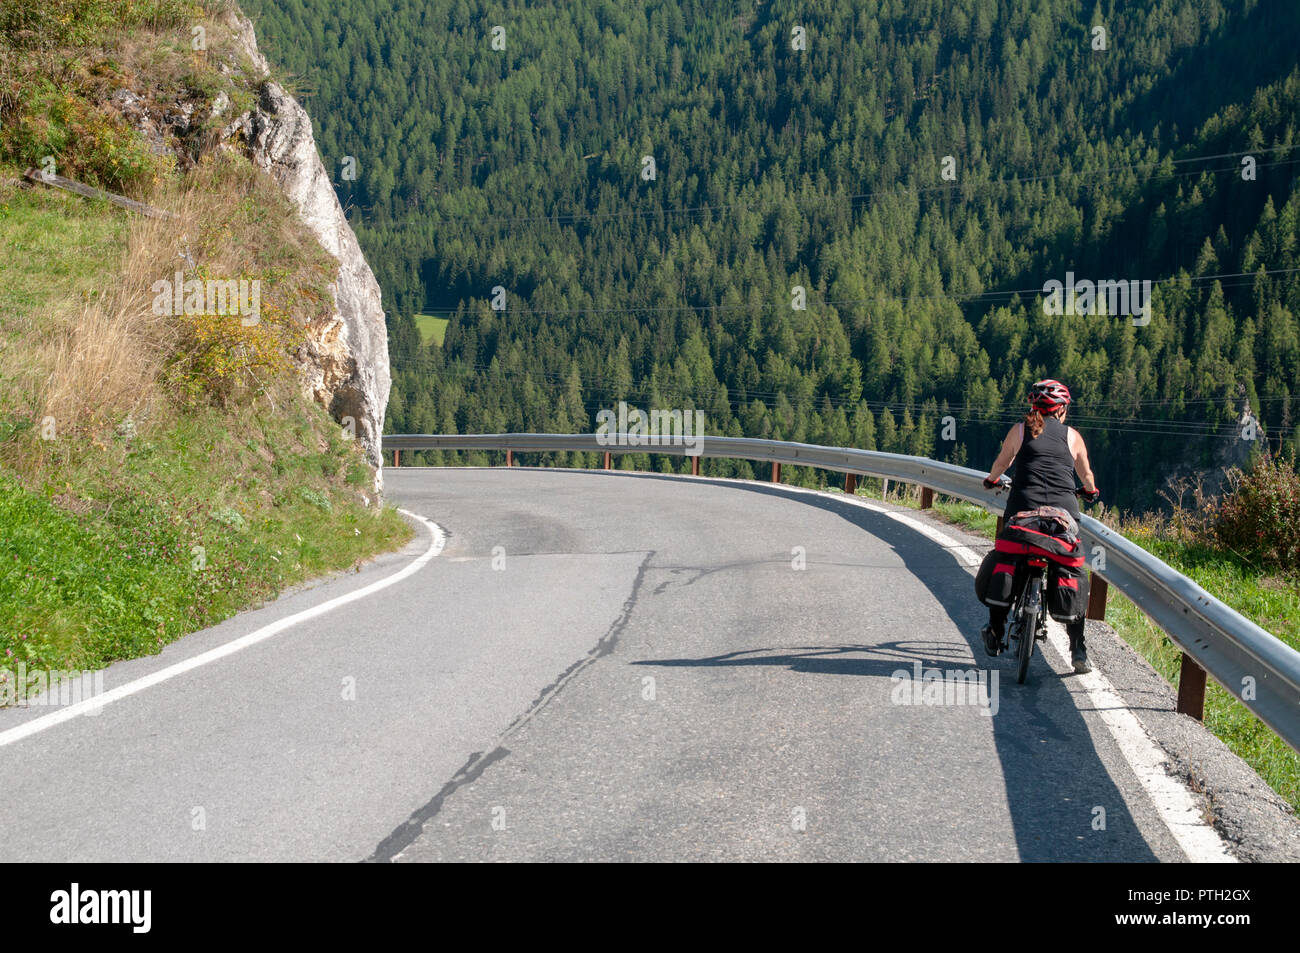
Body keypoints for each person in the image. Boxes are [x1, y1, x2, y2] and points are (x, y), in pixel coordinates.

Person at [980, 379, 1101, 673]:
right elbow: (1086, 475)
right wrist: (1091, 491)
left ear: (1035, 407)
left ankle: (996, 631)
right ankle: (1078, 649)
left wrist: (992, 480)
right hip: (1062, 516)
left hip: (1023, 512)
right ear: (1061, 410)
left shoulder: (1021, 429)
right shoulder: (1072, 436)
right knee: (1068, 565)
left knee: (1009, 559)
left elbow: (1002, 463)